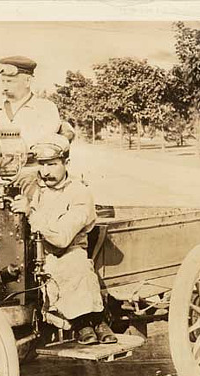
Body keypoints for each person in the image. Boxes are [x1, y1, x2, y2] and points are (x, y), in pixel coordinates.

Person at [11, 134, 117, 345]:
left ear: (66, 163)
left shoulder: (79, 193)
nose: (45, 171)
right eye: (41, 164)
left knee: (75, 265)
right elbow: (3, 175)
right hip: (32, 253)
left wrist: (30, 212)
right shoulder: (35, 185)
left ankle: (91, 322)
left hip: (66, 251)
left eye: (52, 164)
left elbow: (62, 238)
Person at [0, 55, 75, 194]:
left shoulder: (45, 109)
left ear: (27, 81)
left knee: (30, 182)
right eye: (3, 81)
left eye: (10, 81)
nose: (5, 86)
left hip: (31, 171)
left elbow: (42, 145)